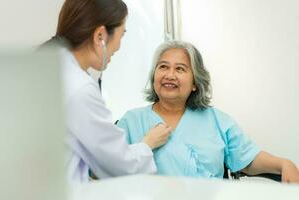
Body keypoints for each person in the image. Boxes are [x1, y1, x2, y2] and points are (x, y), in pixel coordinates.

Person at [117, 40, 299, 183]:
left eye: (180, 69)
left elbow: (248, 158)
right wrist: (145, 144)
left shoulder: (218, 121)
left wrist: (284, 164)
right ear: (154, 75)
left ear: (195, 82)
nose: (169, 75)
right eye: (163, 66)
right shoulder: (131, 121)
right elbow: (105, 167)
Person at [42, 0, 172, 182]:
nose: (119, 46)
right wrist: (147, 144)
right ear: (100, 36)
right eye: (122, 34)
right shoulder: (80, 88)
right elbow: (119, 164)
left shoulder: (47, 69)